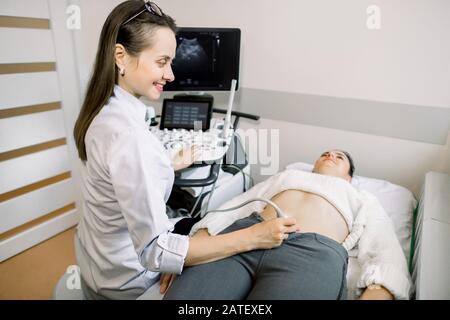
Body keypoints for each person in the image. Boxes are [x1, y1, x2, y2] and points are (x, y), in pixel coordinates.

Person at [72, 0, 298, 300]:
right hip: (129, 278)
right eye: (162, 62)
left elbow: (122, 174)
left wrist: (166, 162)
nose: (171, 76)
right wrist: (255, 237)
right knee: (226, 239)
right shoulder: (130, 136)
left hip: (97, 262)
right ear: (120, 57)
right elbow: (156, 251)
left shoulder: (104, 112)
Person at [163, 150, 413, 300]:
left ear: (349, 177)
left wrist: (380, 290)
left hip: (312, 253)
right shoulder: (287, 177)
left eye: (340, 157)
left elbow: (385, 249)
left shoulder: (362, 197)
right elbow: (234, 208)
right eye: (326, 153)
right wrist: (189, 250)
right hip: (246, 235)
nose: (330, 155)